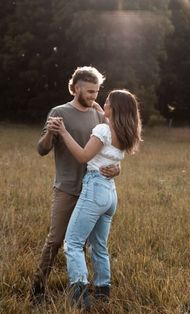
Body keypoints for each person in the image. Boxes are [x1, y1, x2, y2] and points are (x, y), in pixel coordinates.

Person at [31, 66, 120, 302]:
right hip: (67, 187)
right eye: (90, 91)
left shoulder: (99, 115)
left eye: (97, 92)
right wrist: (50, 133)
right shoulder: (59, 112)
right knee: (56, 239)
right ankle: (38, 288)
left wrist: (117, 169)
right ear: (76, 88)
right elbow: (41, 149)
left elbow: (111, 149)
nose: (94, 96)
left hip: (94, 189)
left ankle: (86, 289)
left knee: (87, 244)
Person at [52, 89, 142, 310]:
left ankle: (80, 296)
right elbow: (106, 117)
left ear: (113, 108)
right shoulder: (124, 131)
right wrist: (97, 107)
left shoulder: (103, 129)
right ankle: (103, 291)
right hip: (110, 194)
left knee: (72, 243)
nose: (103, 103)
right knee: (99, 247)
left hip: (94, 189)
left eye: (107, 102)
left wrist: (63, 131)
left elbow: (83, 156)